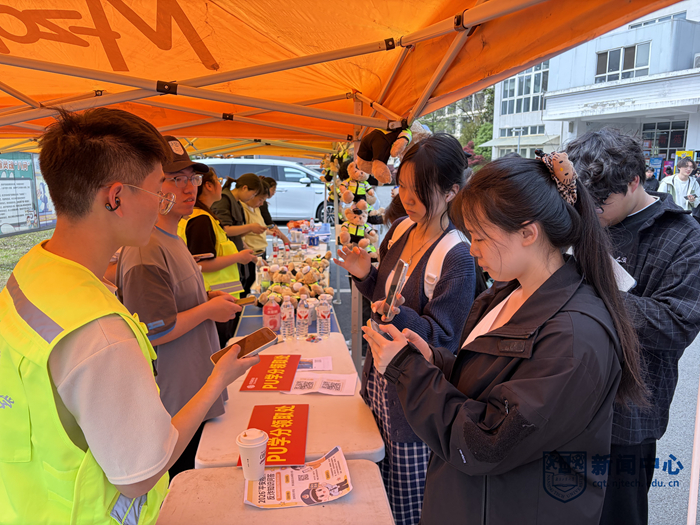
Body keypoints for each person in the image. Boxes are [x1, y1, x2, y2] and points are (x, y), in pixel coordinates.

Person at [0, 108, 258, 525]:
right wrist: (216, 381)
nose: (163, 203)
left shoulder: (33, 270)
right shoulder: (100, 333)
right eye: (158, 189)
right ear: (116, 197)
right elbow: (140, 477)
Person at [362, 151, 648, 525]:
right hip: (471, 502)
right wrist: (434, 361)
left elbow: (488, 441)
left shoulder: (575, 337)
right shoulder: (507, 292)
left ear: (528, 233)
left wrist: (408, 372)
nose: (472, 248)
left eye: (480, 237)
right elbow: (490, 384)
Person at [334, 134, 476, 525]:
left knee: (406, 508)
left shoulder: (457, 256)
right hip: (377, 382)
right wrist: (365, 275)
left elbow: (443, 340)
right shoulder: (399, 230)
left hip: (412, 403)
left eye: (419, 190)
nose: (407, 198)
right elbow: (382, 299)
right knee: (374, 492)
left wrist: (398, 314)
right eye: (403, 186)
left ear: (450, 192)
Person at [565, 128, 700, 525]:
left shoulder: (684, 239)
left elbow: (677, 323)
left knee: (617, 515)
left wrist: (591, 294)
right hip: (564, 402)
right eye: (583, 203)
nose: (591, 213)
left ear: (634, 181)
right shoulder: (582, 219)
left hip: (626, 419)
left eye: (600, 203)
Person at [117, 138, 244, 479]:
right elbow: (153, 329)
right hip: (176, 403)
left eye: (193, 178)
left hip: (197, 391)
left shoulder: (173, 238)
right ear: (152, 185)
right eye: (176, 179)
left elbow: (175, 301)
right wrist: (207, 311)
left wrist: (206, 299)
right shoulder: (146, 249)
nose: (189, 188)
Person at [178, 166, 257, 347]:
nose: (221, 186)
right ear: (208, 186)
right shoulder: (200, 220)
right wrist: (238, 257)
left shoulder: (204, 217)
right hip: (213, 300)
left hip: (217, 300)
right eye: (218, 181)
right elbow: (202, 264)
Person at [211, 173, 267, 294]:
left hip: (237, 256)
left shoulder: (236, 202)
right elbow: (225, 230)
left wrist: (253, 257)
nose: (252, 198)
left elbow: (237, 236)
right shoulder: (224, 200)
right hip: (227, 260)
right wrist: (250, 227)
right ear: (244, 188)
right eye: (253, 194)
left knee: (243, 290)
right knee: (232, 295)